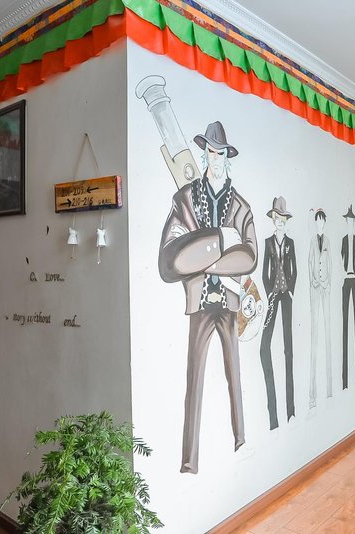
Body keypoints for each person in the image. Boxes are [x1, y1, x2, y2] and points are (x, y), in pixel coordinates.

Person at [158, 121, 257, 474]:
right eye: (210, 152)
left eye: (220, 153)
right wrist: (218, 245)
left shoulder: (240, 206)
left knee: (235, 374)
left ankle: (240, 438)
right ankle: (189, 460)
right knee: (194, 379)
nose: (215, 158)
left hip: (228, 301)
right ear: (204, 154)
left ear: (227, 158)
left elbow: (250, 255)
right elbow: (170, 257)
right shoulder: (185, 199)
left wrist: (207, 260)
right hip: (199, 301)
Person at [260, 197, 297, 429]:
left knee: (288, 348)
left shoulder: (290, 243)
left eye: (283, 217)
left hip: (287, 296)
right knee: (265, 346)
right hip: (274, 295)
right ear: (273, 220)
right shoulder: (268, 243)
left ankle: (290, 410)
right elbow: (265, 271)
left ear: (286, 220)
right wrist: (269, 293)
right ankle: (273, 416)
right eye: (277, 217)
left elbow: (294, 269)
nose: (280, 221)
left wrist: (290, 290)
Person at [308, 209, 331, 408]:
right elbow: (310, 263)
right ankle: (312, 395)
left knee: (328, 333)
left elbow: (330, 263)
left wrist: (327, 282)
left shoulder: (328, 242)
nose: (320, 223)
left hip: (326, 288)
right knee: (315, 335)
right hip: (315, 289)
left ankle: (330, 390)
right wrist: (314, 281)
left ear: (325, 222)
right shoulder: (312, 241)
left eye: (322, 220)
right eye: (318, 220)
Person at [340, 205, 355, 388]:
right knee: (345, 324)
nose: (350, 223)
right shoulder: (343, 240)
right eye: (348, 221)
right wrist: (342, 277)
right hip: (345, 281)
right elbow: (341, 259)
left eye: (352, 221)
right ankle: (345, 380)